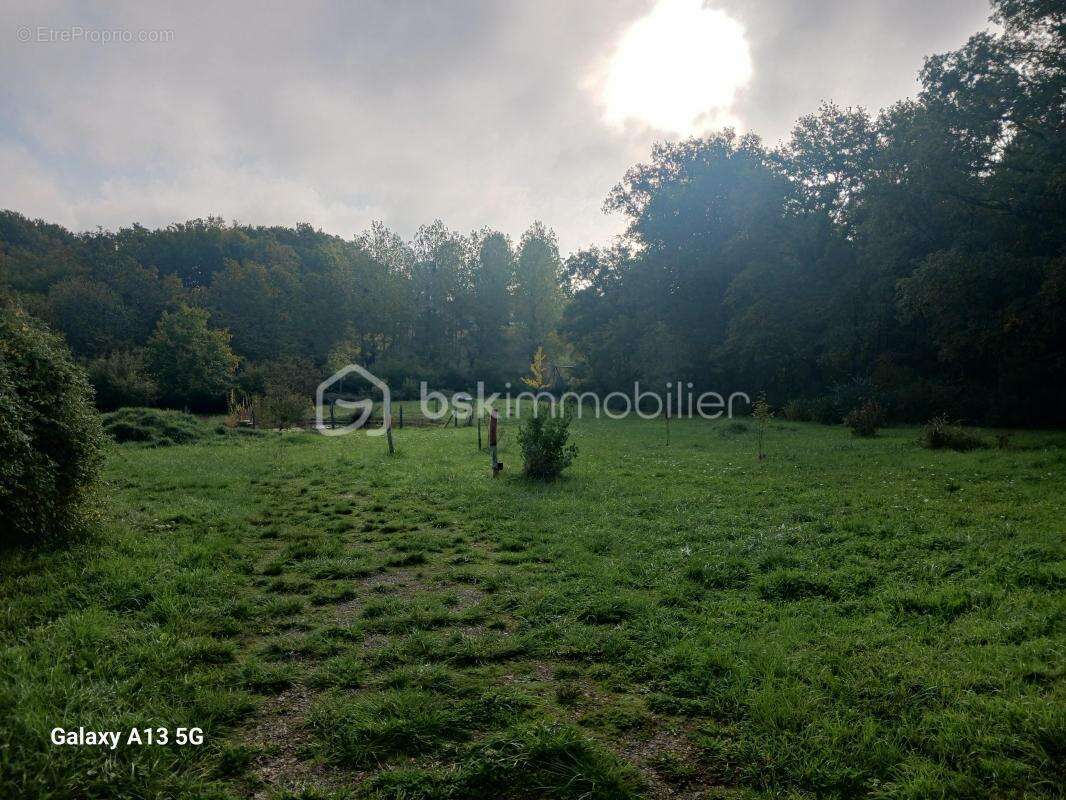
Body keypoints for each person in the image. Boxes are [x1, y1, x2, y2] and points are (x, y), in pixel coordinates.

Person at [488, 407, 503, 477]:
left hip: (493, 442)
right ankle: (495, 471)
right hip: (493, 442)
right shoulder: (493, 421)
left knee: (494, 456)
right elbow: (492, 431)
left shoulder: (493, 421)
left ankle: (496, 471)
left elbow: (493, 431)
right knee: (494, 456)